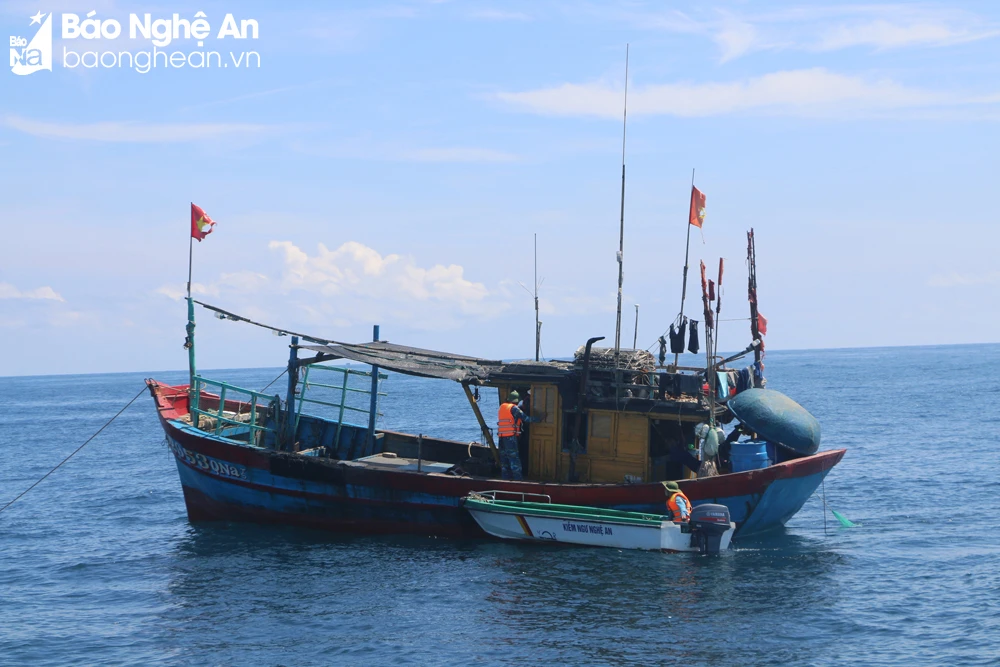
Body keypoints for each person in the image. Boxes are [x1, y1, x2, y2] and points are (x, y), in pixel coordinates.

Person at [496, 391, 542, 480]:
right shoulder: (514, 408)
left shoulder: (502, 407)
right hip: (510, 438)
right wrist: (539, 419)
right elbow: (526, 418)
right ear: (516, 401)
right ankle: (518, 480)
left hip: (501, 437)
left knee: (504, 460)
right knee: (514, 460)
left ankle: (505, 479)